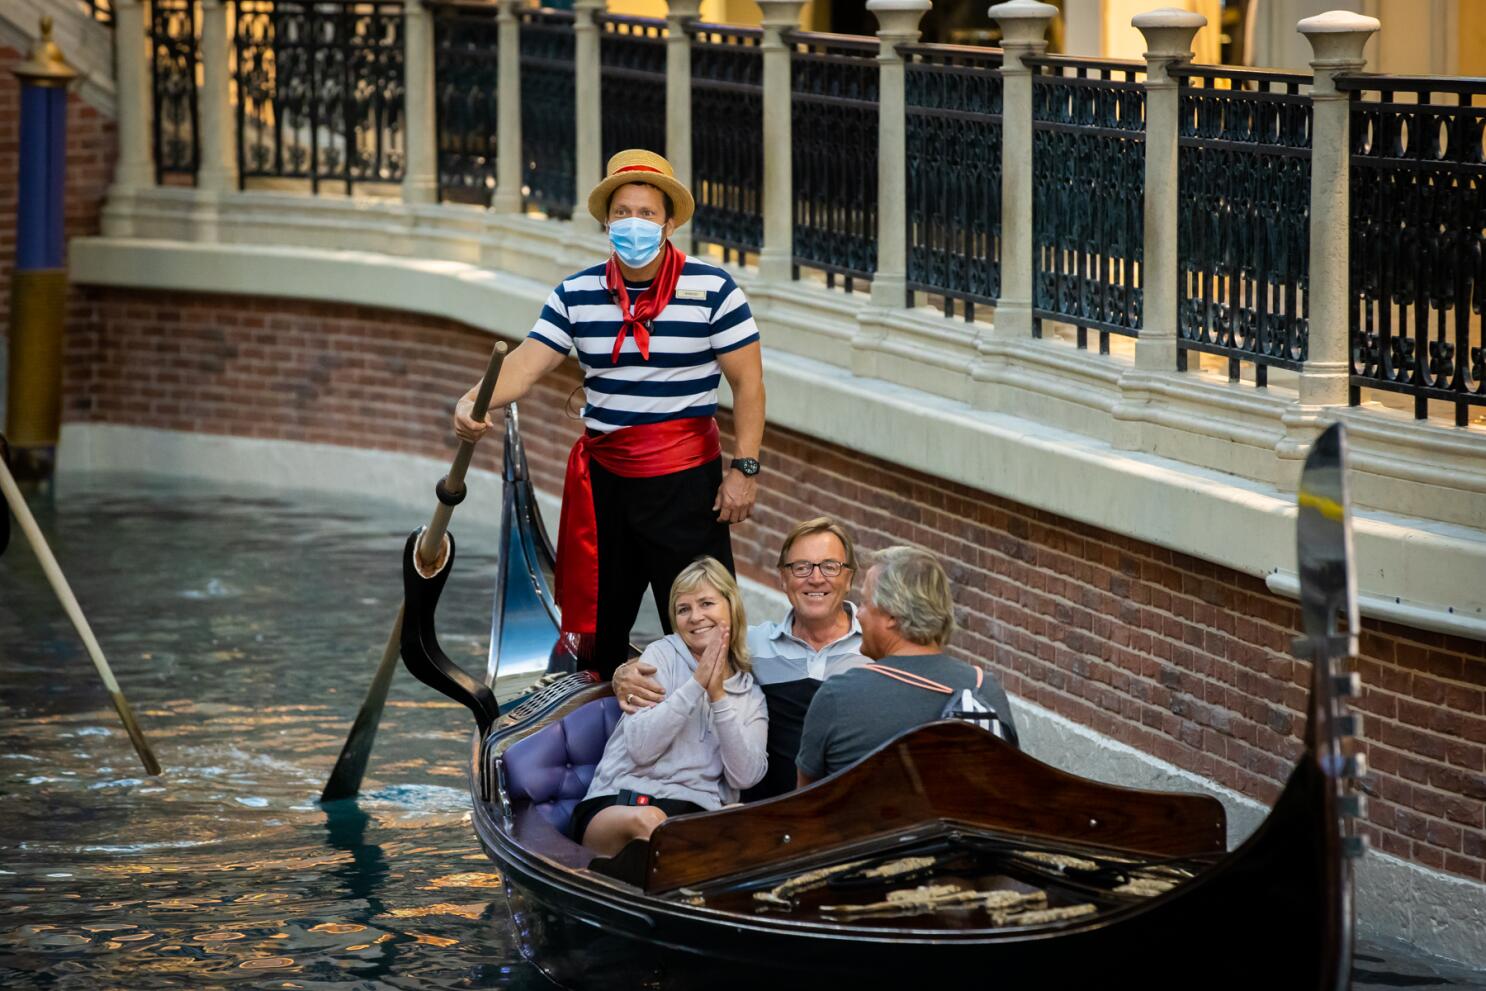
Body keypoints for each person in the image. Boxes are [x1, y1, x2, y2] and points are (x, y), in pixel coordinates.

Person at [452, 149, 766, 678]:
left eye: (646, 213)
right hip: (606, 487)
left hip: (688, 489)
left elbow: (748, 385)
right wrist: (471, 400)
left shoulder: (715, 290)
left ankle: (719, 729)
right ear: (606, 222)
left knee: (704, 623)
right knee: (601, 631)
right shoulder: (575, 294)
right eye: (623, 213)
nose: (634, 224)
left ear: (669, 222)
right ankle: (603, 725)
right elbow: (527, 364)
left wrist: (745, 469)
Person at [614, 516, 867, 800]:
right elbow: (687, 651)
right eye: (801, 567)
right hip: (764, 811)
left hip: (848, 813)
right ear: (783, 579)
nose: (816, 577)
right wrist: (623, 674)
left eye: (830, 566)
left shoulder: (875, 650)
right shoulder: (751, 646)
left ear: (850, 578)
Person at [570, 557, 768, 856]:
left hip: (691, 815)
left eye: (706, 603)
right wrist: (695, 686)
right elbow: (641, 748)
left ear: (731, 606)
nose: (695, 617)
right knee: (652, 822)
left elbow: (746, 776)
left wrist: (717, 697)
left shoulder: (750, 694)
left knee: (747, 821)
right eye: (683, 609)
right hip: (622, 804)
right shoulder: (660, 656)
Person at [795, 546, 1018, 786]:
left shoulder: (838, 696)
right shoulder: (985, 688)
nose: (858, 614)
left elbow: (805, 801)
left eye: (864, 603)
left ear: (891, 615)